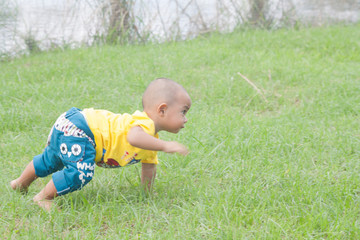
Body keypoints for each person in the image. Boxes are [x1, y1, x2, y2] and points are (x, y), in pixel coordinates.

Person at [10, 78, 192, 211]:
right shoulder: (144, 125)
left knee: (52, 159)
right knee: (81, 172)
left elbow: (149, 167)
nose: (185, 120)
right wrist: (166, 145)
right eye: (183, 112)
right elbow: (134, 137)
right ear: (162, 109)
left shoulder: (152, 139)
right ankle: (43, 197)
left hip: (72, 123)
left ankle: (20, 183)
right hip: (82, 130)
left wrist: (147, 194)